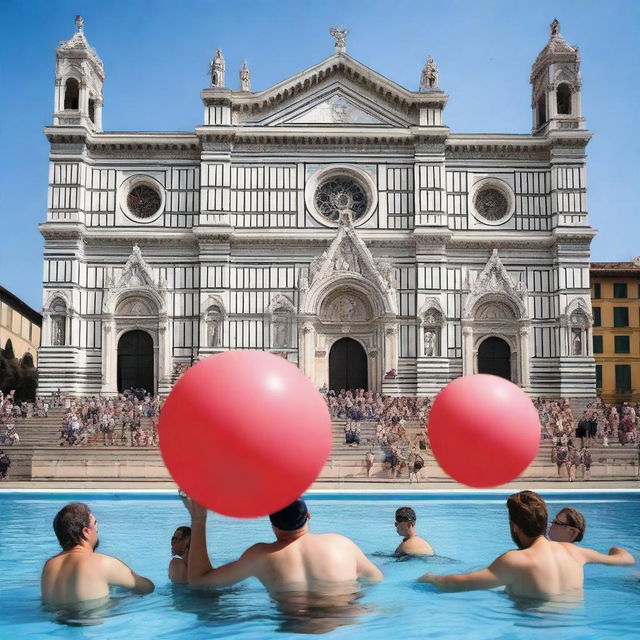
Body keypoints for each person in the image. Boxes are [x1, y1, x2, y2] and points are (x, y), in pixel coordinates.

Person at [417, 490, 635, 599]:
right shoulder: (575, 552)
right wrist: (615, 550)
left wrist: (431, 578)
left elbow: (459, 584)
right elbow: (624, 559)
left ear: (514, 526)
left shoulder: (516, 560)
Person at [185, 497, 383, 593]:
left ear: (272, 524)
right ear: (308, 515)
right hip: (342, 625)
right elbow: (376, 579)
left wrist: (198, 519)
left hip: (291, 626)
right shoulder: (342, 545)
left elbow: (199, 582)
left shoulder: (259, 557)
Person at [41, 503, 154, 606]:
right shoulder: (102, 563)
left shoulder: (49, 565)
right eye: (95, 524)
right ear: (86, 532)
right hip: (91, 626)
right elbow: (147, 588)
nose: (97, 530)